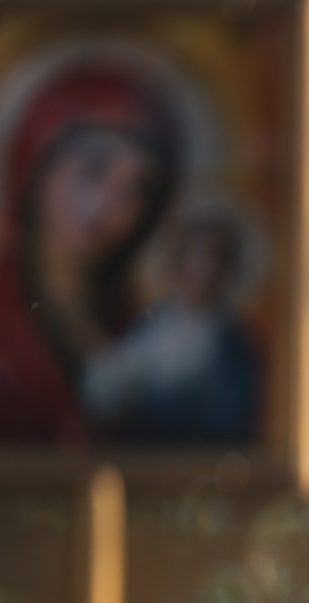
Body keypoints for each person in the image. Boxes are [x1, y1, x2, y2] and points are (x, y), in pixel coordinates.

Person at [0, 60, 181, 441]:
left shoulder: (138, 323)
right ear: (35, 164)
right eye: (92, 171)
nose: (105, 205)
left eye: (134, 190)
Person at [81, 203, 261, 443]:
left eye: (214, 257)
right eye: (195, 256)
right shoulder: (150, 325)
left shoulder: (233, 342)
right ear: (178, 262)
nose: (204, 269)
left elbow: (230, 419)